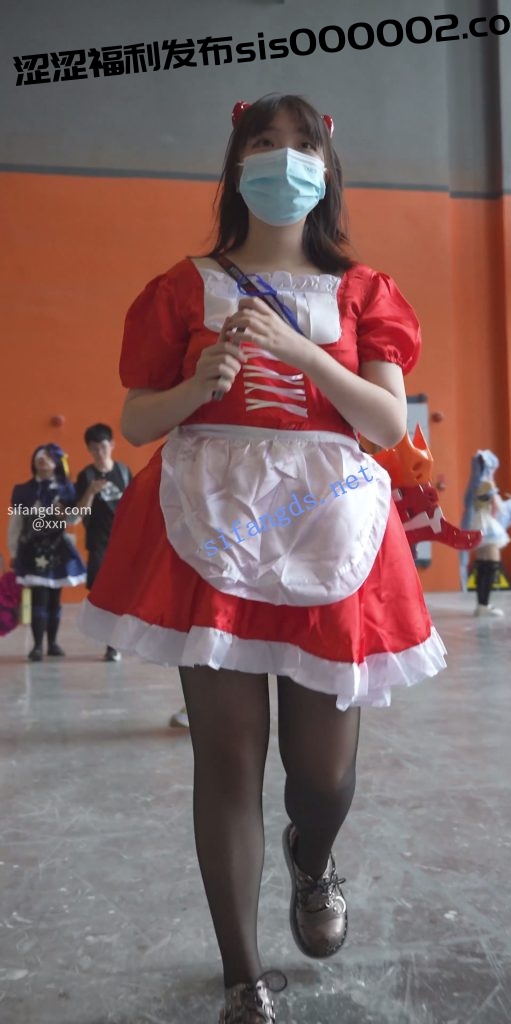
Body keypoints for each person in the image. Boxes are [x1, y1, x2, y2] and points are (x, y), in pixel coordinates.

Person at [78, 94, 447, 1024]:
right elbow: (135, 418)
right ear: (236, 162)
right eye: (265, 143)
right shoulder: (183, 287)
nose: (284, 159)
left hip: (328, 520)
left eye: (301, 146)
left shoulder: (364, 290)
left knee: (322, 776)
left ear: (326, 169)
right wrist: (197, 385)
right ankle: (242, 978)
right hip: (215, 522)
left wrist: (302, 354)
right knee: (227, 760)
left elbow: (387, 423)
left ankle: (312, 858)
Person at [8, 444, 86, 660]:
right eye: (39, 457)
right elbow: (15, 523)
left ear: (57, 463)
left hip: (58, 549)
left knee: (54, 599)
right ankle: (37, 646)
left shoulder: (67, 490)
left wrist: (68, 513)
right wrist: (13, 550)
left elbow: (74, 520)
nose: (42, 460)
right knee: (38, 598)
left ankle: (52, 643)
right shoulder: (24, 490)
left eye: (48, 457)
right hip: (32, 549)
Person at [75, 423, 132, 661]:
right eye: (94, 448)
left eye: (103, 446)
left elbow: (134, 506)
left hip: (123, 542)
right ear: (89, 450)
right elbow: (78, 513)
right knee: (103, 594)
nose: (100, 452)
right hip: (98, 542)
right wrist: (90, 491)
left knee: (122, 593)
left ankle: (115, 643)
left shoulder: (123, 472)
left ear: (112, 445)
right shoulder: (86, 476)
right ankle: (111, 641)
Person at [461, 450, 511, 616]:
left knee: (483, 565)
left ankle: (482, 605)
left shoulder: (478, 484)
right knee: (490, 565)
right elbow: (497, 506)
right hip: (486, 526)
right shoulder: (486, 485)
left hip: (480, 525)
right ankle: (483, 605)